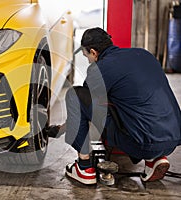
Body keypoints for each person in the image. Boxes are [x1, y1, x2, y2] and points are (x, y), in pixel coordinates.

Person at [64, 27, 181, 185]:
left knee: (75, 96)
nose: (88, 61)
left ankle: (84, 168)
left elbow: (86, 101)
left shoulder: (100, 68)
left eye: (87, 56)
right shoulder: (143, 54)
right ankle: (155, 159)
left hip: (141, 144)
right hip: (173, 139)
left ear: (93, 52)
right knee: (137, 105)